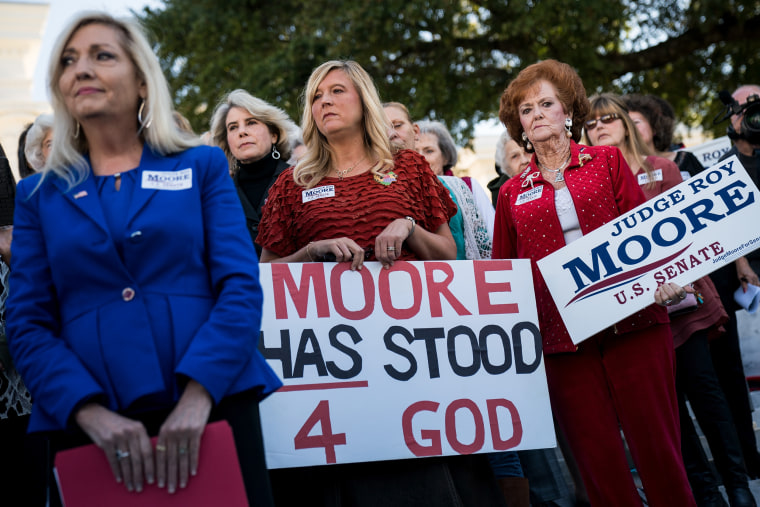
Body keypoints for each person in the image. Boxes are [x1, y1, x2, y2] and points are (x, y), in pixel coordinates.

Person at [6, 12, 281, 506]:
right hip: (91, 427)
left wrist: (200, 397)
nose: (81, 69)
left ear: (140, 79)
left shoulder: (202, 166)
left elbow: (240, 285)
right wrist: (89, 413)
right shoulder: (36, 197)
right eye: (69, 60)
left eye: (101, 55)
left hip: (214, 406)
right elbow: (27, 321)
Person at [257, 59, 505, 507]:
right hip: (337, 362)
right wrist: (312, 252)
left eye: (336, 91)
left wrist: (408, 226)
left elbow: (449, 252)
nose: (324, 102)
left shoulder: (409, 166)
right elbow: (269, 274)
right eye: (316, 96)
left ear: (363, 100)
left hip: (415, 356)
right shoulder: (291, 185)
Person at [494, 59, 695, 507]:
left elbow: (644, 231)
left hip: (637, 321)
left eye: (547, 103)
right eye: (527, 110)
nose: (538, 114)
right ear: (519, 125)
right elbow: (504, 269)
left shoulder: (606, 160)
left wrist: (665, 279)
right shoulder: (510, 192)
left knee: (660, 455)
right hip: (563, 343)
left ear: (568, 111)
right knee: (598, 464)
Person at [586, 93, 756, 507]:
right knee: (670, 410)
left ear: (626, 122)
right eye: (591, 123)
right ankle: (706, 493)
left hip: (683, 305)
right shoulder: (589, 187)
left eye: (608, 118)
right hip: (638, 315)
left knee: (707, 395)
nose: (600, 126)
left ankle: (738, 487)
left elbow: (689, 238)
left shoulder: (660, 168)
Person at [712, 84, 760, 481]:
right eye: (743, 108)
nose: (751, 114)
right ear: (730, 115)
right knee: (737, 379)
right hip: (740, 289)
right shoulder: (716, 170)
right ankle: (749, 459)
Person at [209, 89, 296, 255]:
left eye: (251, 123)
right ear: (227, 141)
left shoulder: (302, 181)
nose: (242, 132)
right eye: (233, 127)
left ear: (274, 135)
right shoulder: (218, 194)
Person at [416, 120, 496, 240]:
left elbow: (495, 235)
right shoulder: (403, 193)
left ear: (445, 157)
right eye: (414, 152)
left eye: (429, 151)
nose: (420, 158)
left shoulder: (469, 186)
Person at [622, 94, 704, 179]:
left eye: (636, 122)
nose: (632, 129)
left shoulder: (685, 158)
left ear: (654, 127)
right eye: (627, 126)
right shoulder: (624, 174)